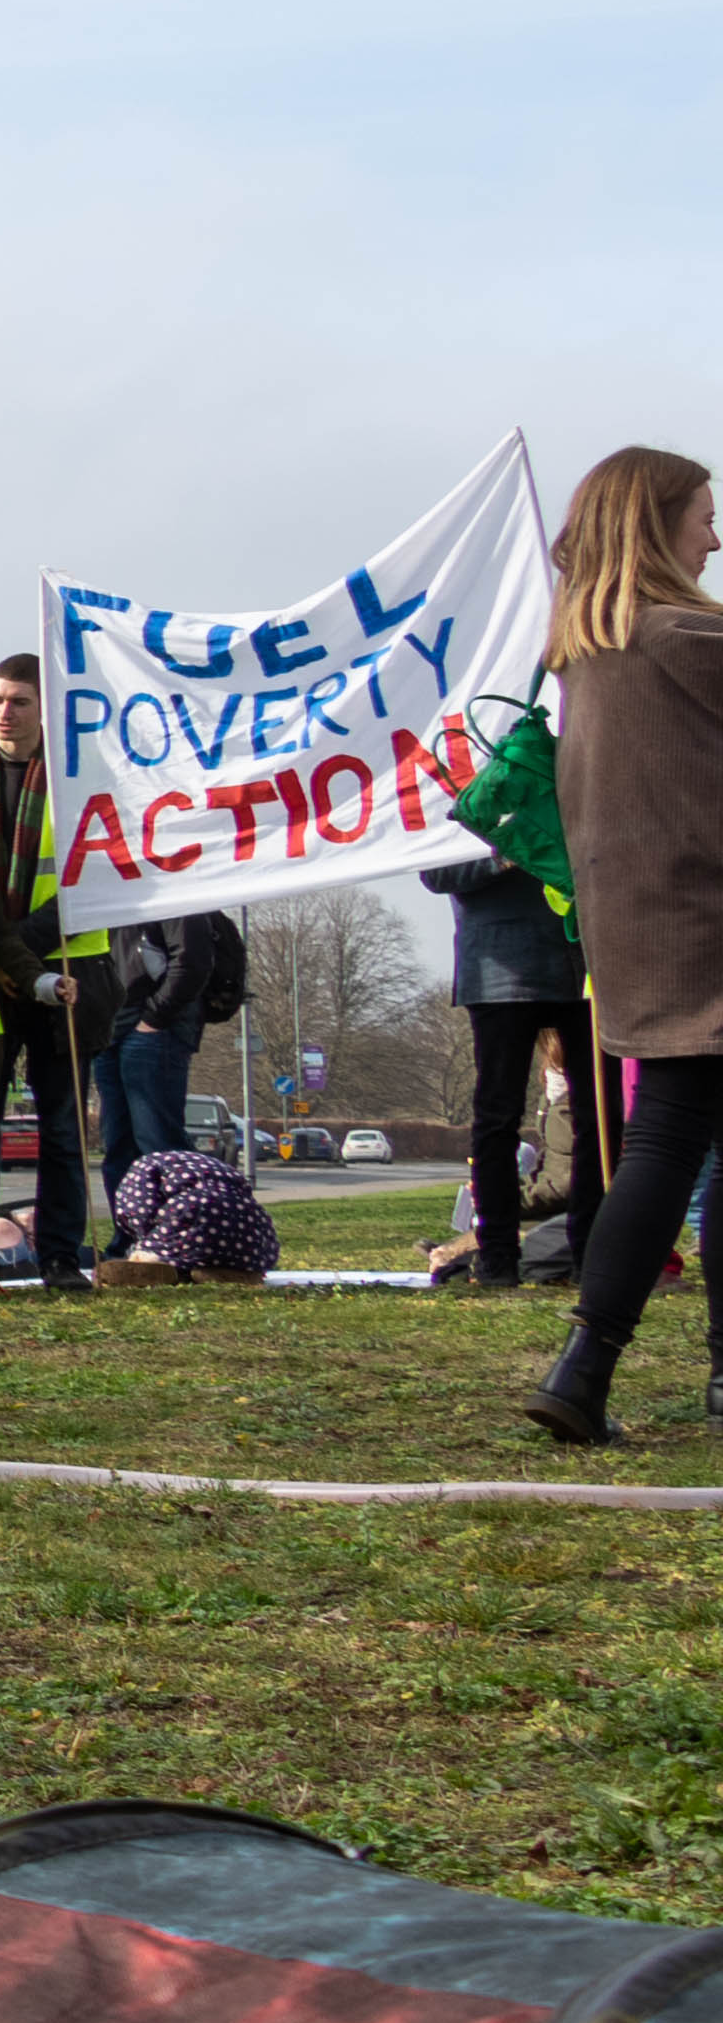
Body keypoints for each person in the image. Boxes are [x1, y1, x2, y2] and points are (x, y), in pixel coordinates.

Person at [523, 447, 723, 1446]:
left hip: (640, 935)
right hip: (712, 925)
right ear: (657, 526)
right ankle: (587, 1364)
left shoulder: (586, 659)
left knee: (671, 1145)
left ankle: (593, 1364)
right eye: (702, 518)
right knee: (675, 1149)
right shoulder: (692, 637)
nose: (716, 538)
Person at [0, 652, 110, 1293]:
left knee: (62, 1123)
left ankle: (61, 1254)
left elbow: (96, 873)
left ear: (47, 709)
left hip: (64, 969)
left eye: (20, 702)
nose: (5, 713)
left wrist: (16, 951)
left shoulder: (83, 775)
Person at [428, 835, 597, 1297]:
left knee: (598, 1119)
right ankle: (498, 1257)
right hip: (499, 973)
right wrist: (507, 853)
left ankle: (591, 1258)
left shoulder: (568, 770)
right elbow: (435, 874)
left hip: (582, 963)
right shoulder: (457, 789)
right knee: (497, 1118)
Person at [99, 906, 244, 1181]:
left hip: (155, 1026)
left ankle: (182, 1221)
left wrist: (154, 1018)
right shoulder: (113, 891)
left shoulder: (173, 894)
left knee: (159, 1145)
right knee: (119, 1149)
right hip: (113, 1024)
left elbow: (193, 962)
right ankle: (130, 1224)